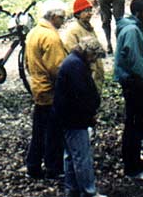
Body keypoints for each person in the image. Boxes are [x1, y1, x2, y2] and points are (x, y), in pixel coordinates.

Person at [54, 37, 107, 197]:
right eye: (94, 56)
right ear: (88, 52)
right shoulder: (76, 66)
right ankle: (89, 192)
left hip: (65, 117)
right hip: (74, 119)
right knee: (82, 157)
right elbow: (82, 96)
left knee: (70, 155)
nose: (94, 61)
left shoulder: (73, 61)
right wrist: (90, 116)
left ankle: (72, 189)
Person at [114, 0, 143, 181]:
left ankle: (132, 162)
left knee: (134, 124)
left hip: (134, 82)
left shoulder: (134, 28)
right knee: (136, 125)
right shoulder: (132, 30)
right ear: (138, 12)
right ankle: (133, 168)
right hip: (135, 84)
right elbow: (136, 61)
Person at [25, 0, 68, 179]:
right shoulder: (51, 37)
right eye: (62, 17)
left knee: (38, 131)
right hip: (50, 91)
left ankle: (33, 166)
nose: (63, 21)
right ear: (54, 16)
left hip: (38, 87)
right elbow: (57, 68)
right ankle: (54, 168)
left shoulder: (33, 33)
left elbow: (27, 63)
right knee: (53, 132)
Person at [62, 0, 105, 93]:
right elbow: (71, 53)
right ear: (78, 14)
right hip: (85, 72)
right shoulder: (73, 31)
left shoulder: (89, 27)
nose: (89, 13)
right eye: (85, 11)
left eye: (90, 10)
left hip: (95, 71)